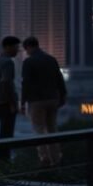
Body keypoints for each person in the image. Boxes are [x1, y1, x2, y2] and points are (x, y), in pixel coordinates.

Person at [20, 37, 68, 166]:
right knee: (52, 128)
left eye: (26, 50)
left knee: (39, 129)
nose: (26, 52)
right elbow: (59, 78)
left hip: (36, 100)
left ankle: (44, 158)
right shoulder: (51, 59)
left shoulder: (28, 62)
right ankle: (56, 158)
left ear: (29, 47)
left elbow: (26, 83)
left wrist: (22, 102)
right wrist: (63, 95)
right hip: (53, 99)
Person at [0, 36, 21, 161]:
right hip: (6, 102)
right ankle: (3, 159)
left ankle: (1, 158)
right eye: (16, 47)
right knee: (7, 132)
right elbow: (6, 82)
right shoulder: (8, 62)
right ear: (7, 47)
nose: (17, 50)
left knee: (4, 130)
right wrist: (12, 103)